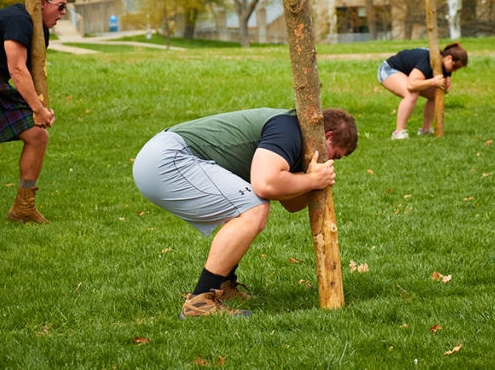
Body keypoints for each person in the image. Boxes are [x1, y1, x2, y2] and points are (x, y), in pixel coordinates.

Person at [133, 107, 358, 319]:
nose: (331, 161)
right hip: (167, 158)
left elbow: (290, 203)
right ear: (327, 135)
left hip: (163, 157)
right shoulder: (288, 130)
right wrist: (311, 179)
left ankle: (222, 287)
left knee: (244, 205)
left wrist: (312, 183)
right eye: (335, 155)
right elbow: (265, 185)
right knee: (254, 207)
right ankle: (200, 303)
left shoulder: (296, 137)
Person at [0, 0, 66, 224]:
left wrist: (41, 107)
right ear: (41, 3)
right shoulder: (19, 20)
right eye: (60, 6)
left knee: (37, 136)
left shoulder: (40, 30)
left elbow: (33, 71)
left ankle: (23, 208)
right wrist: (36, 109)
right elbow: (17, 70)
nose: (63, 13)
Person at [377, 43, 468, 139]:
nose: (454, 71)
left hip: (410, 75)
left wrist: (445, 88)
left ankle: (425, 130)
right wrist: (433, 81)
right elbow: (412, 85)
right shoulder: (428, 60)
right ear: (449, 58)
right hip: (389, 69)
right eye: (455, 67)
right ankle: (398, 132)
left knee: (434, 95)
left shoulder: (446, 67)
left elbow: (440, 88)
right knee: (411, 94)